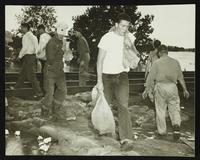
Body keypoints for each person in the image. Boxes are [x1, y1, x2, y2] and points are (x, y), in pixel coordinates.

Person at [96, 13, 140, 151]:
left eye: (127, 26)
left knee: (123, 106)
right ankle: (106, 135)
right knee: (106, 106)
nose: (124, 29)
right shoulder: (106, 38)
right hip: (106, 76)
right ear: (116, 25)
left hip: (122, 75)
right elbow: (100, 60)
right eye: (122, 26)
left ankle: (126, 139)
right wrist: (99, 81)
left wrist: (130, 49)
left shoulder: (129, 37)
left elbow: (135, 55)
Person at [142, 44, 190, 141]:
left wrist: (146, 90)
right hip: (173, 87)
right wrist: (185, 89)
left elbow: (150, 78)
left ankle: (162, 131)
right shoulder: (175, 62)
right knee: (174, 108)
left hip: (160, 87)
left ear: (159, 53)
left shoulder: (156, 63)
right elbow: (181, 77)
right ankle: (176, 125)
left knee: (160, 110)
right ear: (167, 52)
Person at [40, 22, 68, 119]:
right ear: (56, 31)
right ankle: (45, 108)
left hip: (59, 71)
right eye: (60, 34)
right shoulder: (51, 43)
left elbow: (66, 57)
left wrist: (67, 51)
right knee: (50, 92)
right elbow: (51, 59)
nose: (62, 36)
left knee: (63, 90)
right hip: (50, 71)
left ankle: (56, 108)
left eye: (63, 34)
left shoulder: (62, 42)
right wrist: (62, 50)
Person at [15, 23, 42, 99]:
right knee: (23, 74)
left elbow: (25, 48)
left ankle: (39, 93)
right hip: (32, 56)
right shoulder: (34, 36)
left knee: (31, 76)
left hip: (28, 57)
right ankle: (17, 88)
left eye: (22, 28)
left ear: (26, 28)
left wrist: (19, 56)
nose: (21, 29)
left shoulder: (26, 36)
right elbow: (37, 48)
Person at [36, 24, 51, 94]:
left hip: (44, 57)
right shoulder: (49, 36)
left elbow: (42, 45)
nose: (38, 32)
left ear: (41, 29)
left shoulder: (43, 36)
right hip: (49, 57)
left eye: (39, 30)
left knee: (44, 73)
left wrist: (37, 52)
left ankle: (44, 90)